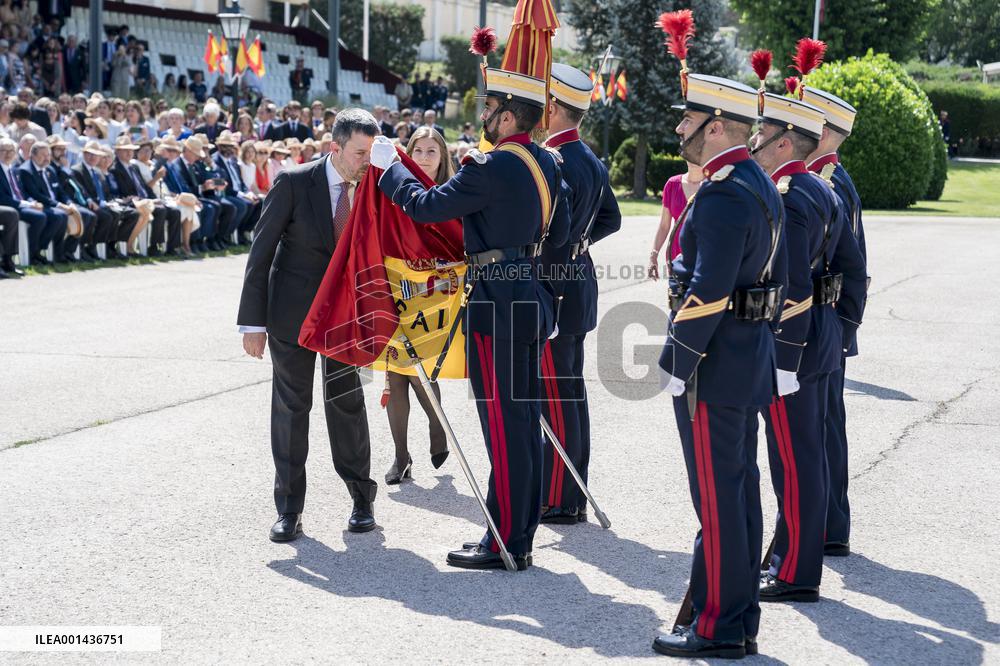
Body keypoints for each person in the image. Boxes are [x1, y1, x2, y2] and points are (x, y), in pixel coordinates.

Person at [373, 58, 570, 571]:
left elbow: (424, 205)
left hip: (497, 302)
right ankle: (519, 533)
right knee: (524, 422)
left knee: (504, 427)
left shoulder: (495, 165)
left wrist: (390, 169)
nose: (484, 115)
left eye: (490, 107)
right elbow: (563, 235)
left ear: (507, 118)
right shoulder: (548, 163)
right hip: (529, 294)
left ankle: (504, 540)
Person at [651, 72, 783, 658]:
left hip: (715, 363)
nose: (681, 129)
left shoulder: (728, 190)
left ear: (718, 126)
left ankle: (720, 626)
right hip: (742, 355)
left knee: (719, 498)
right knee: (736, 490)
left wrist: (676, 357)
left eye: (689, 121)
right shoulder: (752, 180)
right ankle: (737, 617)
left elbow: (709, 288)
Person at [237, 108, 380, 543]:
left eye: (371, 153)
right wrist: (252, 322)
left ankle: (361, 499)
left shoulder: (374, 187)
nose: (366, 161)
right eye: (359, 152)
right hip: (292, 315)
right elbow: (260, 252)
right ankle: (289, 510)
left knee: (347, 407)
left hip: (346, 319)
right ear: (335, 148)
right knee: (292, 410)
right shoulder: (295, 182)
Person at [750, 91, 867, 605]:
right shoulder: (822, 189)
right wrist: (840, 327)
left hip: (793, 343)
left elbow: (794, 288)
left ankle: (795, 570)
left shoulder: (793, 196)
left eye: (761, 135)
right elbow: (853, 270)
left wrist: (786, 357)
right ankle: (790, 553)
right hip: (821, 334)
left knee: (793, 461)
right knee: (808, 456)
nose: (754, 141)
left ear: (783, 141)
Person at [537, 63, 622, 524]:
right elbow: (611, 218)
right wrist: (580, 243)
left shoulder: (557, 160)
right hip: (576, 280)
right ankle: (572, 490)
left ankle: (561, 498)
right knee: (568, 392)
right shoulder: (589, 158)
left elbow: (557, 228)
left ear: (552, 107)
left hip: (556, 288)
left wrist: (566, 246)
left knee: (557, 393)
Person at [801, 85, 868, 559]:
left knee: (821, 428)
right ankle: (829, 524)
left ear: (822, 131)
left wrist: (844, 328)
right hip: (831, 322)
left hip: (825, 322)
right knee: (826, 426)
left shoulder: (828, 183)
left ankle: (825, 525)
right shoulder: (828, 178)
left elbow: (853, 266)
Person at [381, 126, 454, 485]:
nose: (424, 157)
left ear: (443, 159)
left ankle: (437, 428)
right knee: (395, 374)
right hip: (395, 289)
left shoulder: (450, 193)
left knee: (421, 370)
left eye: (432, 151)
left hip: (434, 295)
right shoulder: (392, 188)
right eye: (418, 150)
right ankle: (400, 456)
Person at [0, 137, 57, 266]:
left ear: (16, 153)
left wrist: (32, 202)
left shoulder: (13, 170)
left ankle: (36, 252)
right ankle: (27, 254)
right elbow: (2, 197)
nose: (8, 154)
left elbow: (22, 192)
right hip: (10, 206)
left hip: (21, 204)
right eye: (4, 150)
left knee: (48, 215)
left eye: (11, 151)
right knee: (39, 217)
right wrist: (27, 204)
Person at [648, 160, 702, 278]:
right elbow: (664, 225)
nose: (692, 158)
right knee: (677, 293)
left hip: (704, 254)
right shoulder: (672, 184)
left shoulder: (712, 186)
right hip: (675, 252)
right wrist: (654, 254)